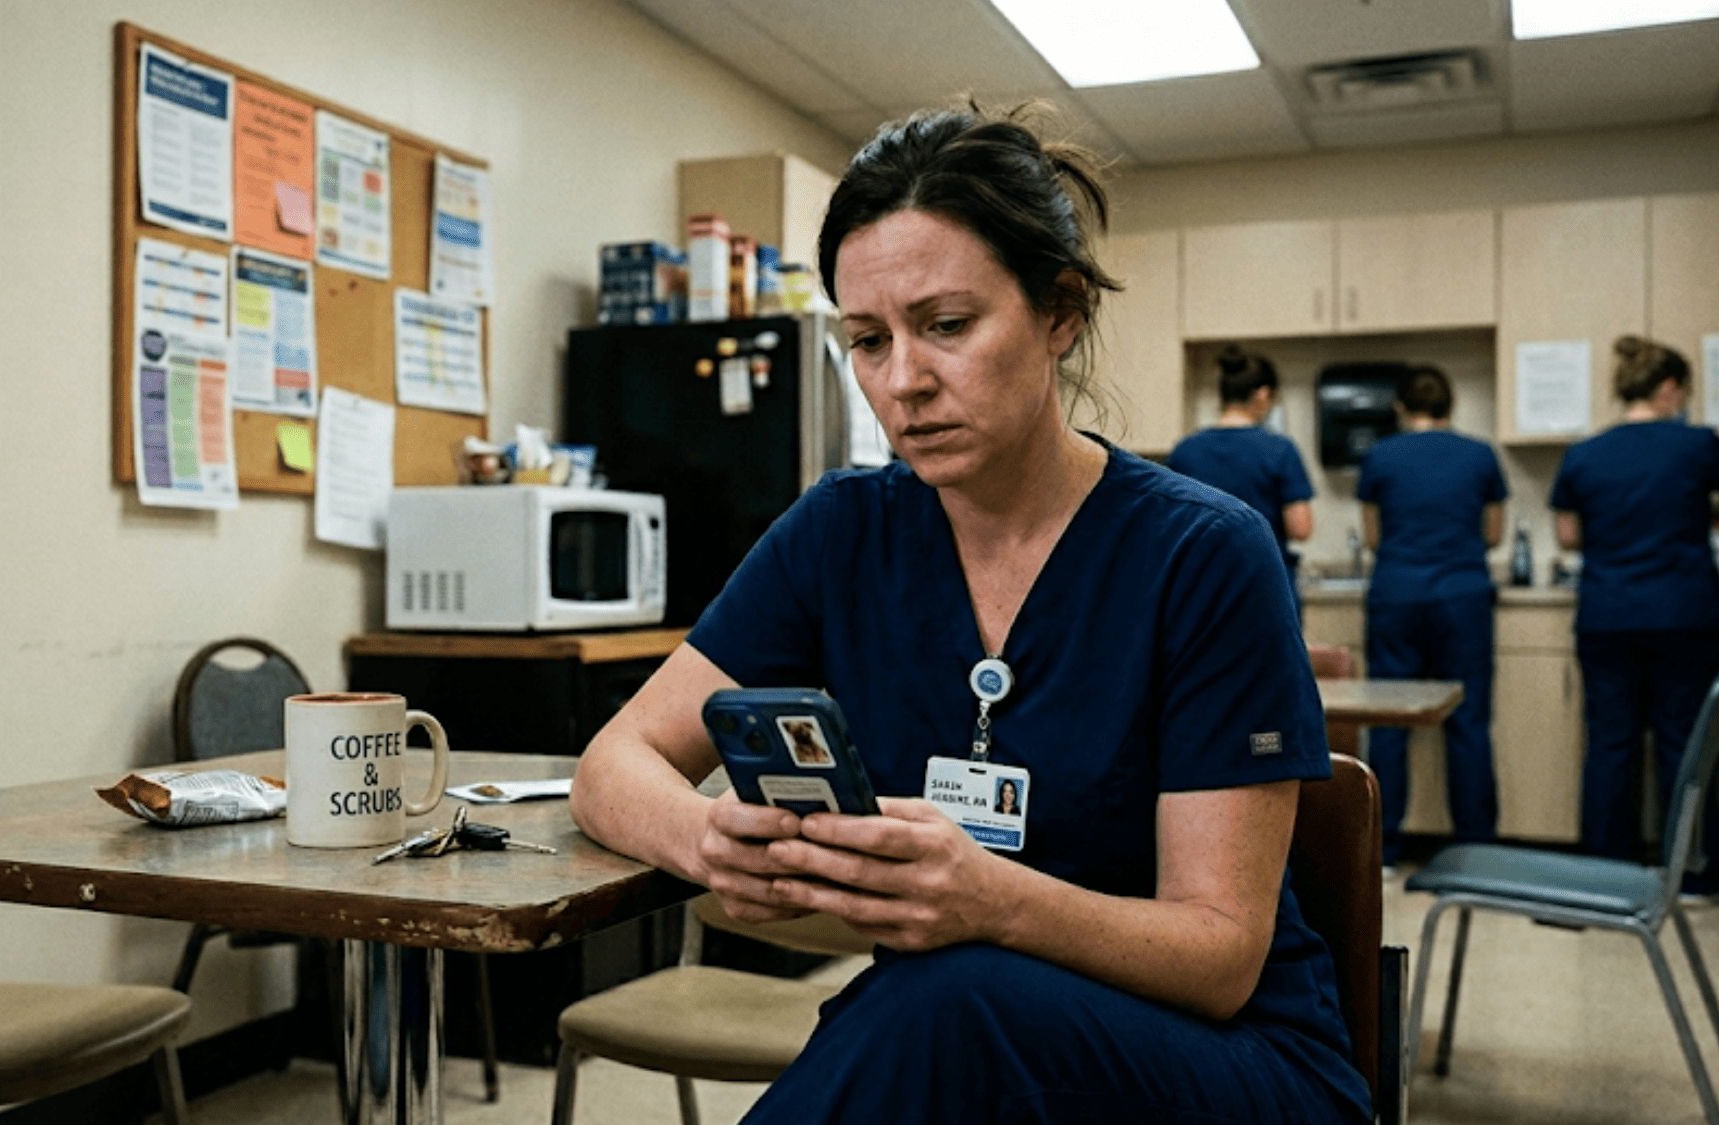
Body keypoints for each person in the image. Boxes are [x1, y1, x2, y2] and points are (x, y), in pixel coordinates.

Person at [570, 103, 1370, 1124]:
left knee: (940, 998)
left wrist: (991, 899)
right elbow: (613, 763)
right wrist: (707, 838)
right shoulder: (840, 534)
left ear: (1059, 312)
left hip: (1225, 1062)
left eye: (946, 325)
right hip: (965, 1041)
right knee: (929, 1001)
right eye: (866, 340)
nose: (901, 380)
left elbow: (1216, 957)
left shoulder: (1201, 554)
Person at [1550, 335, 1719, 868]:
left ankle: (1604, 867)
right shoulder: (1699, 446)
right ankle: (1687, 870)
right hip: (1682, 613)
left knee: (1610, 745)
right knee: (1682, 745)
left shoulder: (1583, 454)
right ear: (1670, 389)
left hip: (1607, 614)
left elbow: (1568, 535)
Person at [1356, 365, 1508, 867]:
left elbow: (1374, 537)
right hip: (1462, 595)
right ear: (1450, 405)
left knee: (1389, 723)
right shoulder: (1481, 455)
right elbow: (1493, 535)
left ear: (1402, 408)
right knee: (1468, 719)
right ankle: (1476, 845)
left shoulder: (1379, 456)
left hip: (1397, 595)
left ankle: (1385, 850)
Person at [1168, 346, 1315, 602]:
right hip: (1264, 585)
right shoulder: (1280, 449)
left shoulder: (1185, 451)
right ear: (1263, 395)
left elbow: (1172, 526)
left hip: (1202, 588)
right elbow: (1300, 528)